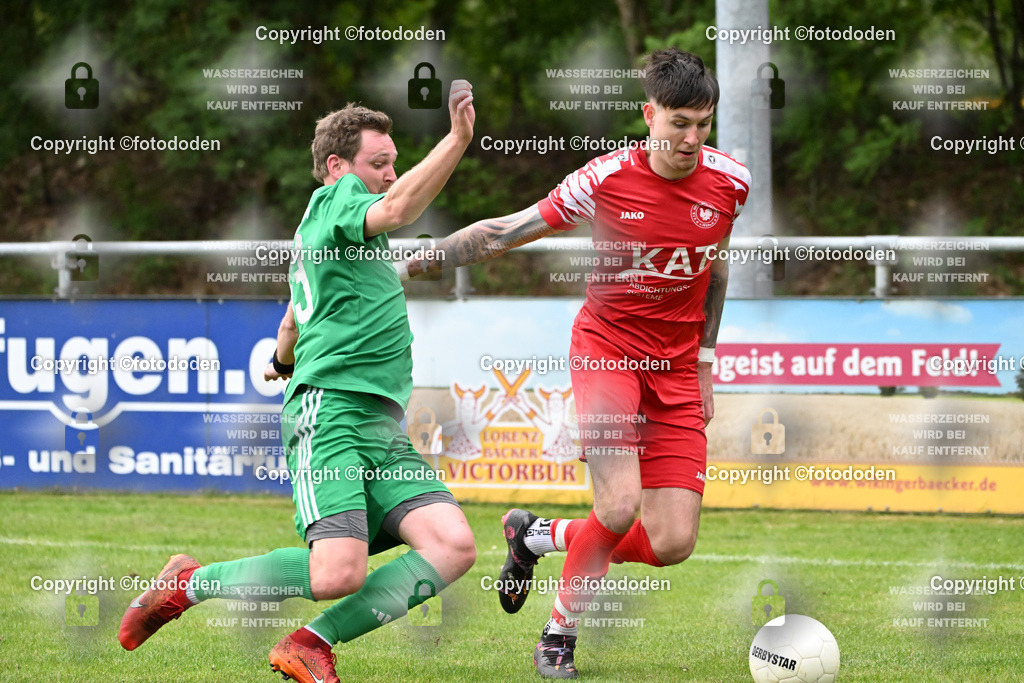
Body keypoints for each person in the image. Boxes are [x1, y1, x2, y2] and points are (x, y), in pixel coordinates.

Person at [401, 48, 750, 678]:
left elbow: (716, 266)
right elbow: (507, 232)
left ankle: (535, 536)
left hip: (675, 368)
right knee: (618, 508)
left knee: (672, 544)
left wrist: (704, 358)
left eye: (703, 124)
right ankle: (559, 635)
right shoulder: (605, 179)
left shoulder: (730, 182)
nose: (692, 139)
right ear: (649, 116)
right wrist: (419, 262)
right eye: (679, 123)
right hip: (607, 353)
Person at [119, 81, 479, 683]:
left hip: (377, 424)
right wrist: (458, 138)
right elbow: (397, 209)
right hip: (333, 414)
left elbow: (293, 316)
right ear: (337, 167)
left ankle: (312, 642)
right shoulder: (338, 199)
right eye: (379, 163)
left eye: (393, 163)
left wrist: (284, 360)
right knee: (336, 574)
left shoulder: (338, 237)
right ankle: (188, 583)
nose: (390, 175)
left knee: (453, 546)